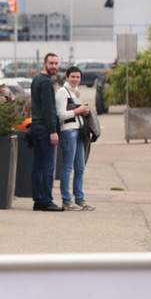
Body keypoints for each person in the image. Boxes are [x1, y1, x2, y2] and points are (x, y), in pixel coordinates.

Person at [55, 66, 95, 211]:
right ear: (67, 77)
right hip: (68, 132)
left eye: (78, 77)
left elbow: (76, 112)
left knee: (80, 168)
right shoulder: (62, 92)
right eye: (73, 76)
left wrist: (85, 111)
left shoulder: (76, 92)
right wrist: (78, 110)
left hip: (79, 132)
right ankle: (67, 200)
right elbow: (60, 115)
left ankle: (80, 199)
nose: (75, 79)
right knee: (67, 167)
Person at [30, 53, 63, 212]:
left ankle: (38, 199)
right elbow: (48, 109)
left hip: (36, 126)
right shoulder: (45, 82)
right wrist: (53, 131)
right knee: (47, 166)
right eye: (51, 63)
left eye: (56, 63)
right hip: (44, 128)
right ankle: (46, 201)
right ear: (45, 63)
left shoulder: (36, 79)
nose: (54, 66)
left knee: (38, 165)